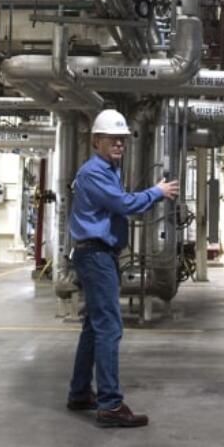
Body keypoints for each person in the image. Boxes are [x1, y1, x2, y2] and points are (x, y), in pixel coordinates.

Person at [65, 108, 180, 428]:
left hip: (100, 255)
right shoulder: (95, 173)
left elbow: (120, 202)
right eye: (112, 139)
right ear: (96, 141)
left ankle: (79, 393)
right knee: (109, 328)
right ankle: (110, 405)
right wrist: (157, 192)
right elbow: (124, 204)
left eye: (123, 139)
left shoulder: (110, 169)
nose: (119, 144)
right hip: (96, 256)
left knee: (94, 326)